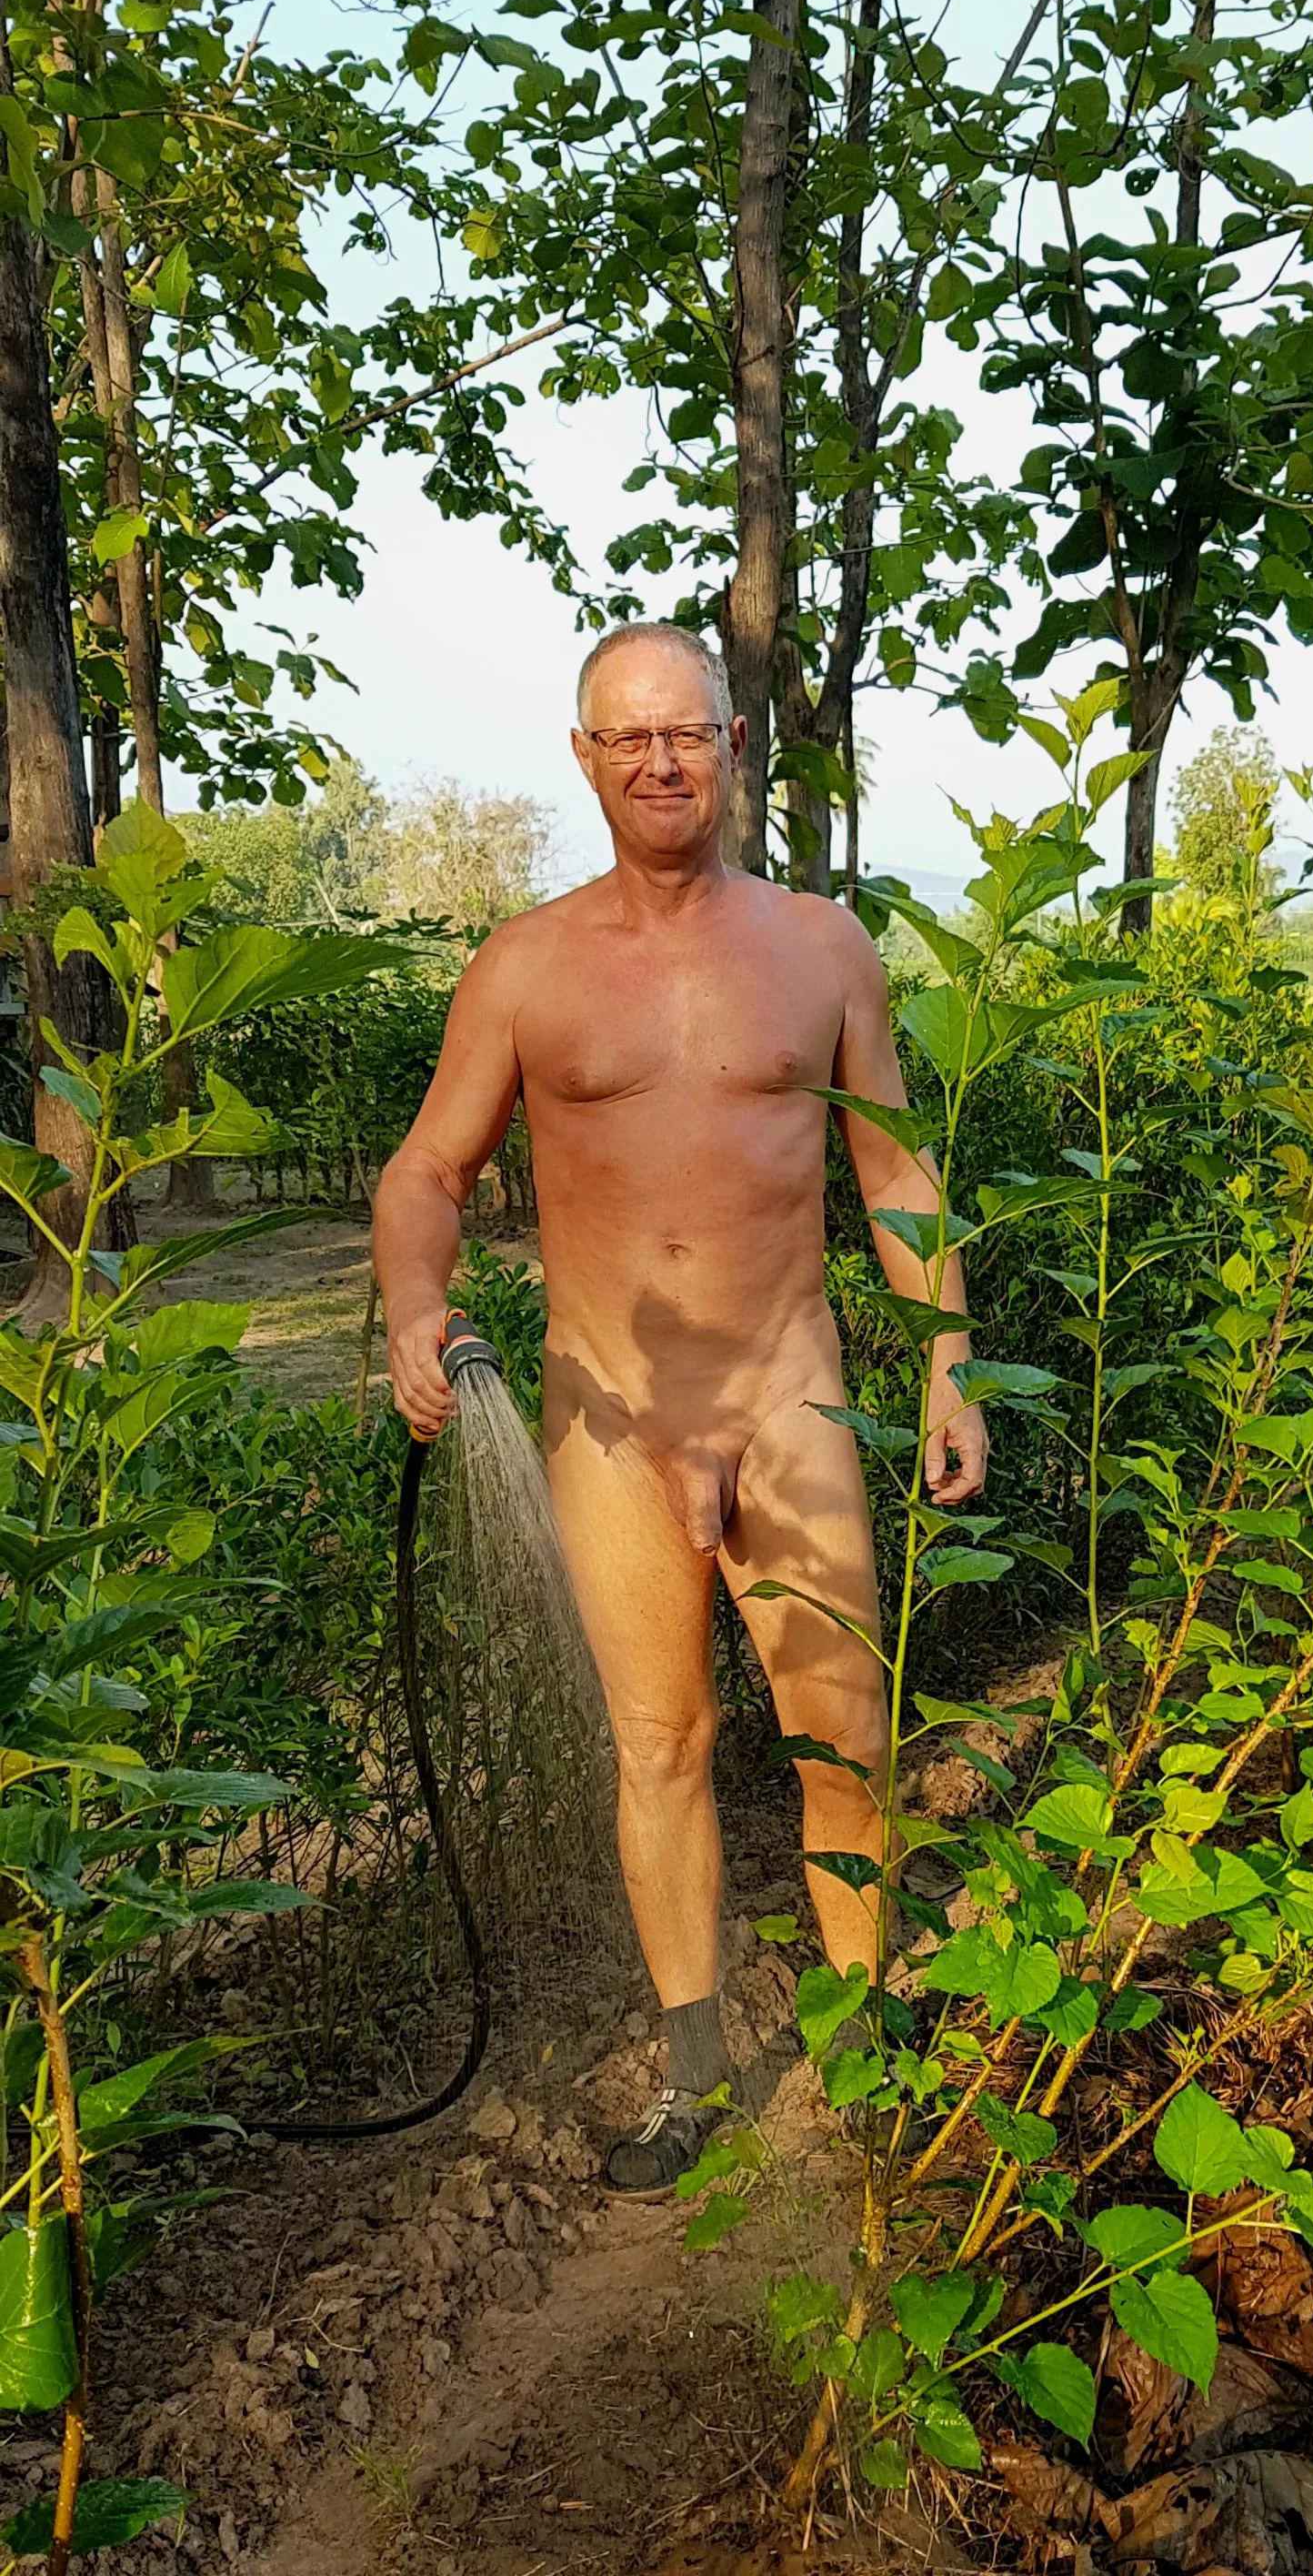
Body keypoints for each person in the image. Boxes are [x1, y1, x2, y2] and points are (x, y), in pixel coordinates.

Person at [372, 620, 987, 2192]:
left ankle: (861, 2027)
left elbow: (894, 1172)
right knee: (660, 1741)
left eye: (690, 734)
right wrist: (415, 1308)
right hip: (606, 1418)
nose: (662, 761)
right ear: (584, 757)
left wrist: (947, 1361)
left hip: (791, 1398)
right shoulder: (525, 965)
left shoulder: (822, 945)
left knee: (842, 1727)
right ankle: (697, 2067)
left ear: (733, 744)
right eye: (628, 737)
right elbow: (429, 1170)